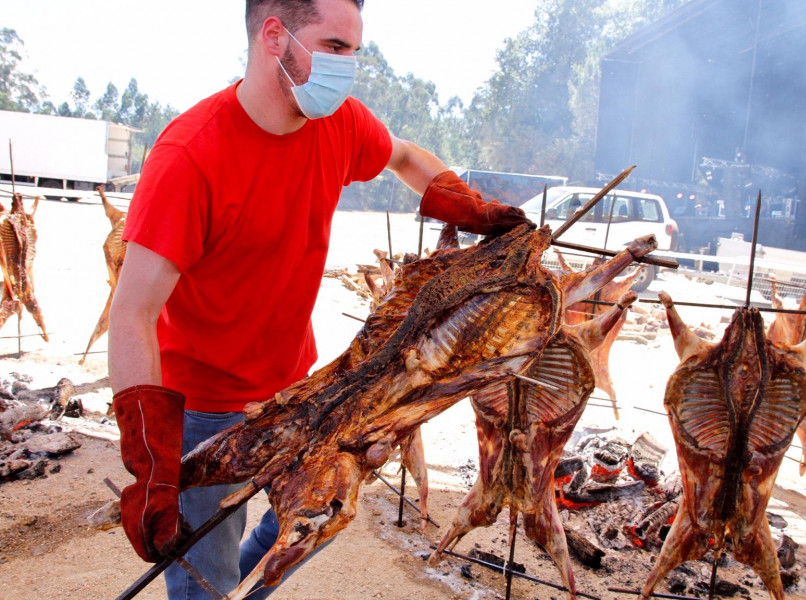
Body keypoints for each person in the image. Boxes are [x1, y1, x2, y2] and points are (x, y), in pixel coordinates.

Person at [107, 0, 530, 598]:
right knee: (206, 577)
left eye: (355, 51)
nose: (349, 66)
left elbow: (405, 156)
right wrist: (149, 461)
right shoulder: (191, 155)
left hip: (295, 389)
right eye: (335, 48)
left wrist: (464, 202)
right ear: (275, 38)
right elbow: (133, 311)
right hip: (201, 405)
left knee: (319, 516)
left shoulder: (339, 123)